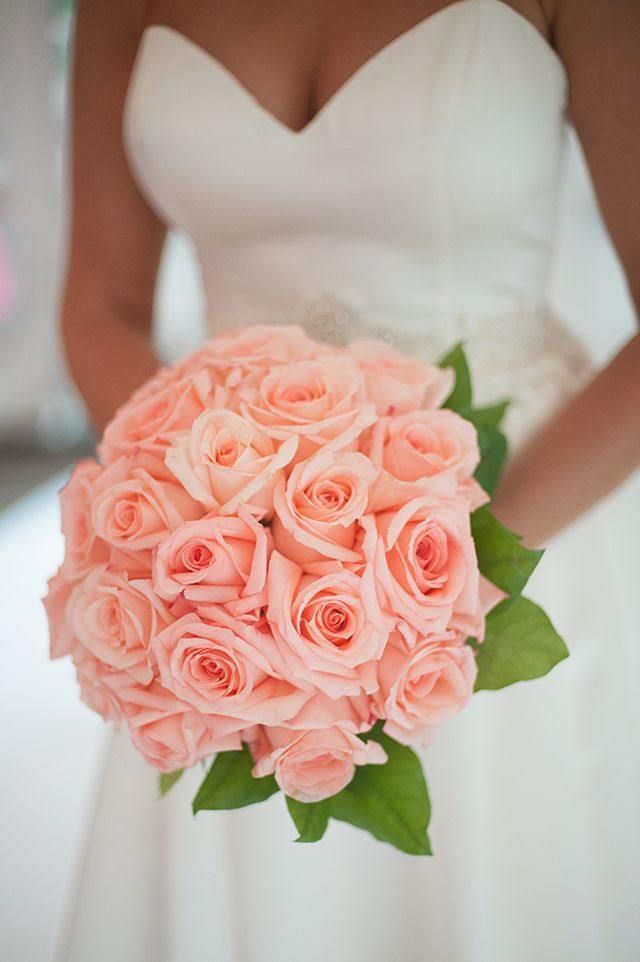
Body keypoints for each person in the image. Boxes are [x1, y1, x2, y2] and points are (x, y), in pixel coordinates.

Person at [57, 2, 640, 960]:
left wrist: (445, 584)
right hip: (225, 557)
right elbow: (100, 305)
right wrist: (206, 522)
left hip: (520, 513)